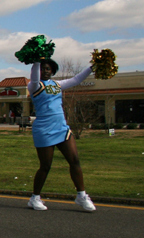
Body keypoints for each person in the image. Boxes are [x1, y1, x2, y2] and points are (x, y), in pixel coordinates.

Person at [26, 58, 96, 212]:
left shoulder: (57, 85)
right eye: (43, 68)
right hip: (44, 129)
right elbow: (35, 76)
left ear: (52, 71)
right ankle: (34, 198)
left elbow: (77, 79)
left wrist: (92, 68)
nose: (45, 71)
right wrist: (38, 59)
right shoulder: (34, 85)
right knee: (45, 166)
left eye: (48, 69)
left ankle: (81, 195)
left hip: (61, 128)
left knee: (75, 160)